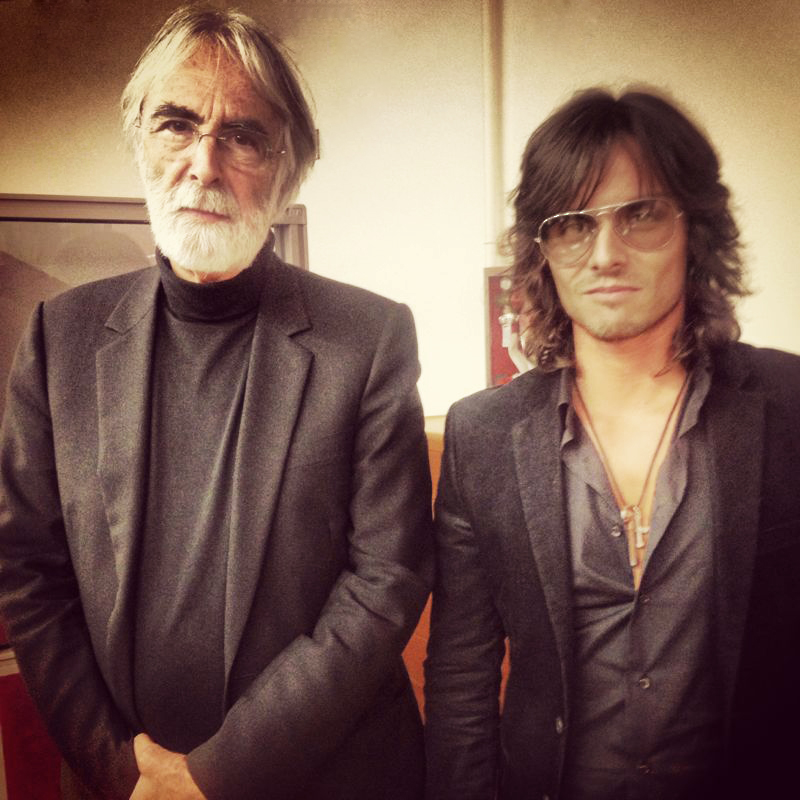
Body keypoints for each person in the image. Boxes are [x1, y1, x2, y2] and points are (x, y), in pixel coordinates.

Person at [0, 6, 432, 799]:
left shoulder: (368, 338)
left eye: (243, 134)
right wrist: (117, 766)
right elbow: (28, 574)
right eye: (176, 123)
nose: (204, 161)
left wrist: (216, 776)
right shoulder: (58, 336)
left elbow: (387, 579)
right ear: (140, 143)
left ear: (287, 167)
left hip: (328, 778)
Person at [423, 87, 800, 800]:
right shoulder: (483, 437)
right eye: (573, 225)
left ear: (696, 231)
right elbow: (461, 680)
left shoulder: (789, 408)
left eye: (641, 215)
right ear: (543, 251)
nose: (605, 253)